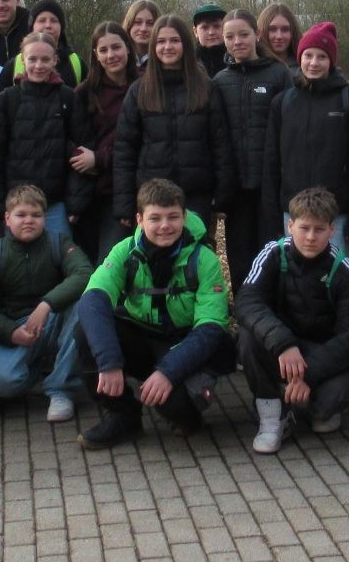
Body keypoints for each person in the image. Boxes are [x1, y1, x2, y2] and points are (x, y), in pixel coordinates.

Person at [74, 179, 235, 449]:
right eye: (155, 218)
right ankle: (123, 416)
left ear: (184, 216)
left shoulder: (204, 259)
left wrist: (168, 372)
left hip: (185, 343)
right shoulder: (124, 251)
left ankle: (188, 416)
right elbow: (93, 300)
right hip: (142, 339)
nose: (164, 226)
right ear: (139, 219)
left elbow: (211, 328)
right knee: (84, 332)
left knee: (172, 405)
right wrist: (109, 361)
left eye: (173, 217)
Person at [236, 187, 349, 453]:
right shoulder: (272, 254)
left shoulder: (346, 271)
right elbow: (246, 301)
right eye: (304, 228)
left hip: (321, 353)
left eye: (319, 229)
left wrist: (307, 374)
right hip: (281, 348)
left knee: (326, 410)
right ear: (290, 225)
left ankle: (304, 404)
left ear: (332, 229)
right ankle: (272, 416)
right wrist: (283, 344)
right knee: (247, 336)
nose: (310, 237)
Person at [0, 185, 92, 422]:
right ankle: (40, 371)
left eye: (36, 215)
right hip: (17, 328)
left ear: (45, 218)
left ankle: (60, 389)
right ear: (7, 218)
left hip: (53, 319)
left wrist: (46, 304)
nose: (28, 221)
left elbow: (85, 273)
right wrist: (11, 333)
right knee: (1, 384)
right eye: (21, 215)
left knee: (86, 302)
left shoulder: (59, 243)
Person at [113, 14, 233, 239]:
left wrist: (222, 193)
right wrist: (125, 202)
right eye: (161, 41)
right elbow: (124, 150)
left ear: (185, 44)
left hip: (196, 194)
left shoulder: (205, 87)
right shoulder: (139, 90)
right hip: (151, 196)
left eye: (174, 40)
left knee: (195, 260)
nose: (167, 46)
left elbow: (220, 144)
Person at [262, 21, 349, 255]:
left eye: (321, 57)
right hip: (292, 213)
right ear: (300, 57)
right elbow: (271, 164)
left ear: (331, 61)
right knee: (296, 280)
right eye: (308, 55)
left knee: (340, 278)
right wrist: (271, 216)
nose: (314, 63)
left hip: (337, 214)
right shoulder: (282, 102)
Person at [213, 7, 294, 291]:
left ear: (256, 35)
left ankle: (275, 311)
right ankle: (247, 314)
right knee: (239, 256)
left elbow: (289, 129)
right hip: (236, 189)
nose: (237, 42)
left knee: (273, 251)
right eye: (230, 37)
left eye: (243, 35)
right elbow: (216, 137)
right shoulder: (220, 81)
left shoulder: (278, 74)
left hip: (270, 184)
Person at [0, 30, 92, 242]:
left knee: (60, 265)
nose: (39, 66)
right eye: (32, 59)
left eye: (45, 59)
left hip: (55, 205)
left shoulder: (68, 98)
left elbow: (81, 150)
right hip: (15, 205)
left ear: (55, 60)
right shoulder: (7, 100)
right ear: (23, 59)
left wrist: (76, 203)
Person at [71, 21, 139, 262]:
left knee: (112, 263)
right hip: (91, 193)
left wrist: (99, 158)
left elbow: (142, 141)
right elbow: (75, 142)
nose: (111, 55)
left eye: (116, 47)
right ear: (95, 55)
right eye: (103, 50)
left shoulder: (143, 86)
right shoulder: (84, 92)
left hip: (125, 189)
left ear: (128, 49)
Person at [11, 0, 84, 86]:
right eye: (42, 20)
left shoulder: (77, 63)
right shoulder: (14, 64)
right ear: (32, 26)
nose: (48, 25)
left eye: (54, 21)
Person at [257, 3, 302, 69]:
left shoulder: (305, 68)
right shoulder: (252, 67)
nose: (279, 36)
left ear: (293, 32)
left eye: (285, 29)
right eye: (272, 29)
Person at [191, 2, 229, 77]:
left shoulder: (237, 60)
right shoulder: (188, 63)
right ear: (195, 32)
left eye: (216, 26)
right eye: (205, 27)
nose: (211, 32)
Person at [122, 0, 161, 69]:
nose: (143, 29)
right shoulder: (118, 59)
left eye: (150, 23)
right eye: (138, 22)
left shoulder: (165, 60)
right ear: (129, 24)